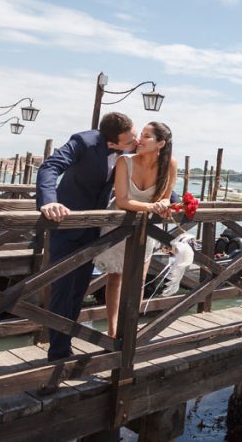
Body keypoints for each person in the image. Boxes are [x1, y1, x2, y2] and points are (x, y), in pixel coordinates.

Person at [36, 112, 139, 361]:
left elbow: (149, 177)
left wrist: (176, 202)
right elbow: (50, 167)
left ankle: (65, 345)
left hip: (93, 230)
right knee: (62, 289)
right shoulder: (83, 142)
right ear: (113, 143)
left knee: (77, 292)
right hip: (66, 226)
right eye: (131, 139)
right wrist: (49, 203)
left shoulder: (129, 152)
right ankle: (58, 354)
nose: (136, 140)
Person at [94, 121, 177, 337]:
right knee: (115, 277)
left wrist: (164, 205)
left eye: (147, 136)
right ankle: (113, 332)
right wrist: (152, 206)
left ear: (161, 143)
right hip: (118, 225)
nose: (140, 139)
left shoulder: (170, 165)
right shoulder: (125, 161)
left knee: (139, 280)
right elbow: (121, 200)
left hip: (144, 228)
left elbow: (167, 197)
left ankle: (129, 328)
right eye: (141, 134)